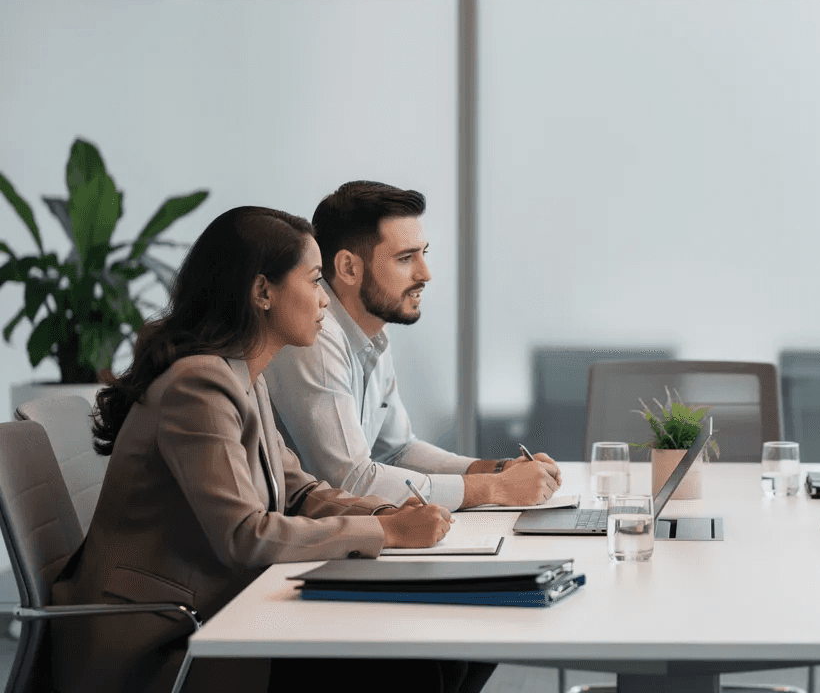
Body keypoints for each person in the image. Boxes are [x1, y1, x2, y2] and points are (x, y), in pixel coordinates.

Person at [49, 207, 489, 693]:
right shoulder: (199, 385)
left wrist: (386, 511)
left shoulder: (241, 376)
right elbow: (246, 535)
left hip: (217, 611)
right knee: (413, 664)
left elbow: (298, 491)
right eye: (315, 280)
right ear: (263, 292)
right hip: (158, 643)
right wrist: (385, 529)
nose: (325, 300)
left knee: (454, 648)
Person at [264, 181, 561, 510]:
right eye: (405, 258)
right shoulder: (315, 335)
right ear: (349, 267)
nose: (425, 273)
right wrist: (493, 488)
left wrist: (496, 469)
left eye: (424, 253)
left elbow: (398, 451)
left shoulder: (373, 333)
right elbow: (351, 482)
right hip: (299, 545)